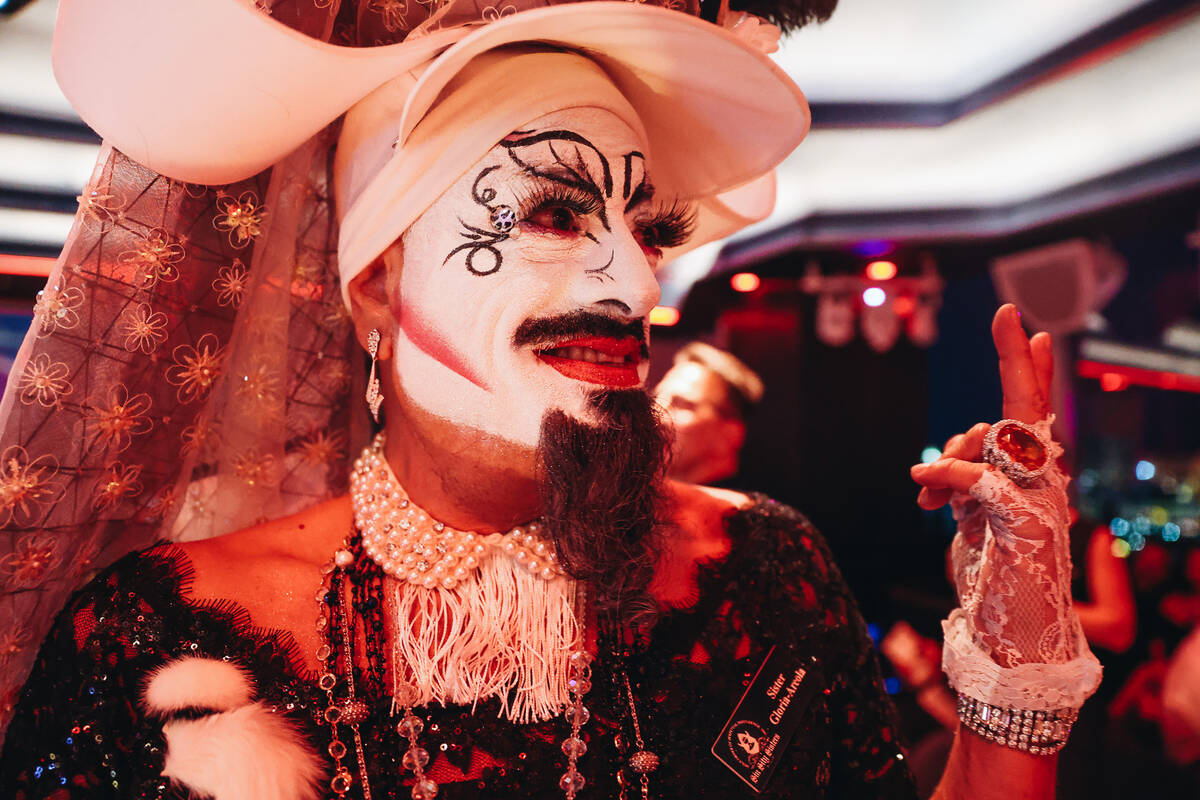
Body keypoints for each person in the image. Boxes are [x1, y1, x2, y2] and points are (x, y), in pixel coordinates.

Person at [0, 1, 1100, 798]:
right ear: (376, 283)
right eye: (554, 215)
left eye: (645, 229)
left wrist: (1020, 641)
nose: (636, 283)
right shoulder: (154, 633)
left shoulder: (763, 573)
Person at [654, 342, 763, 485]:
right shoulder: (636, 501)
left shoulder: (747, 505)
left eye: (682, 404)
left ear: (729, 434)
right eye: (655, 399)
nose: (656, 414)